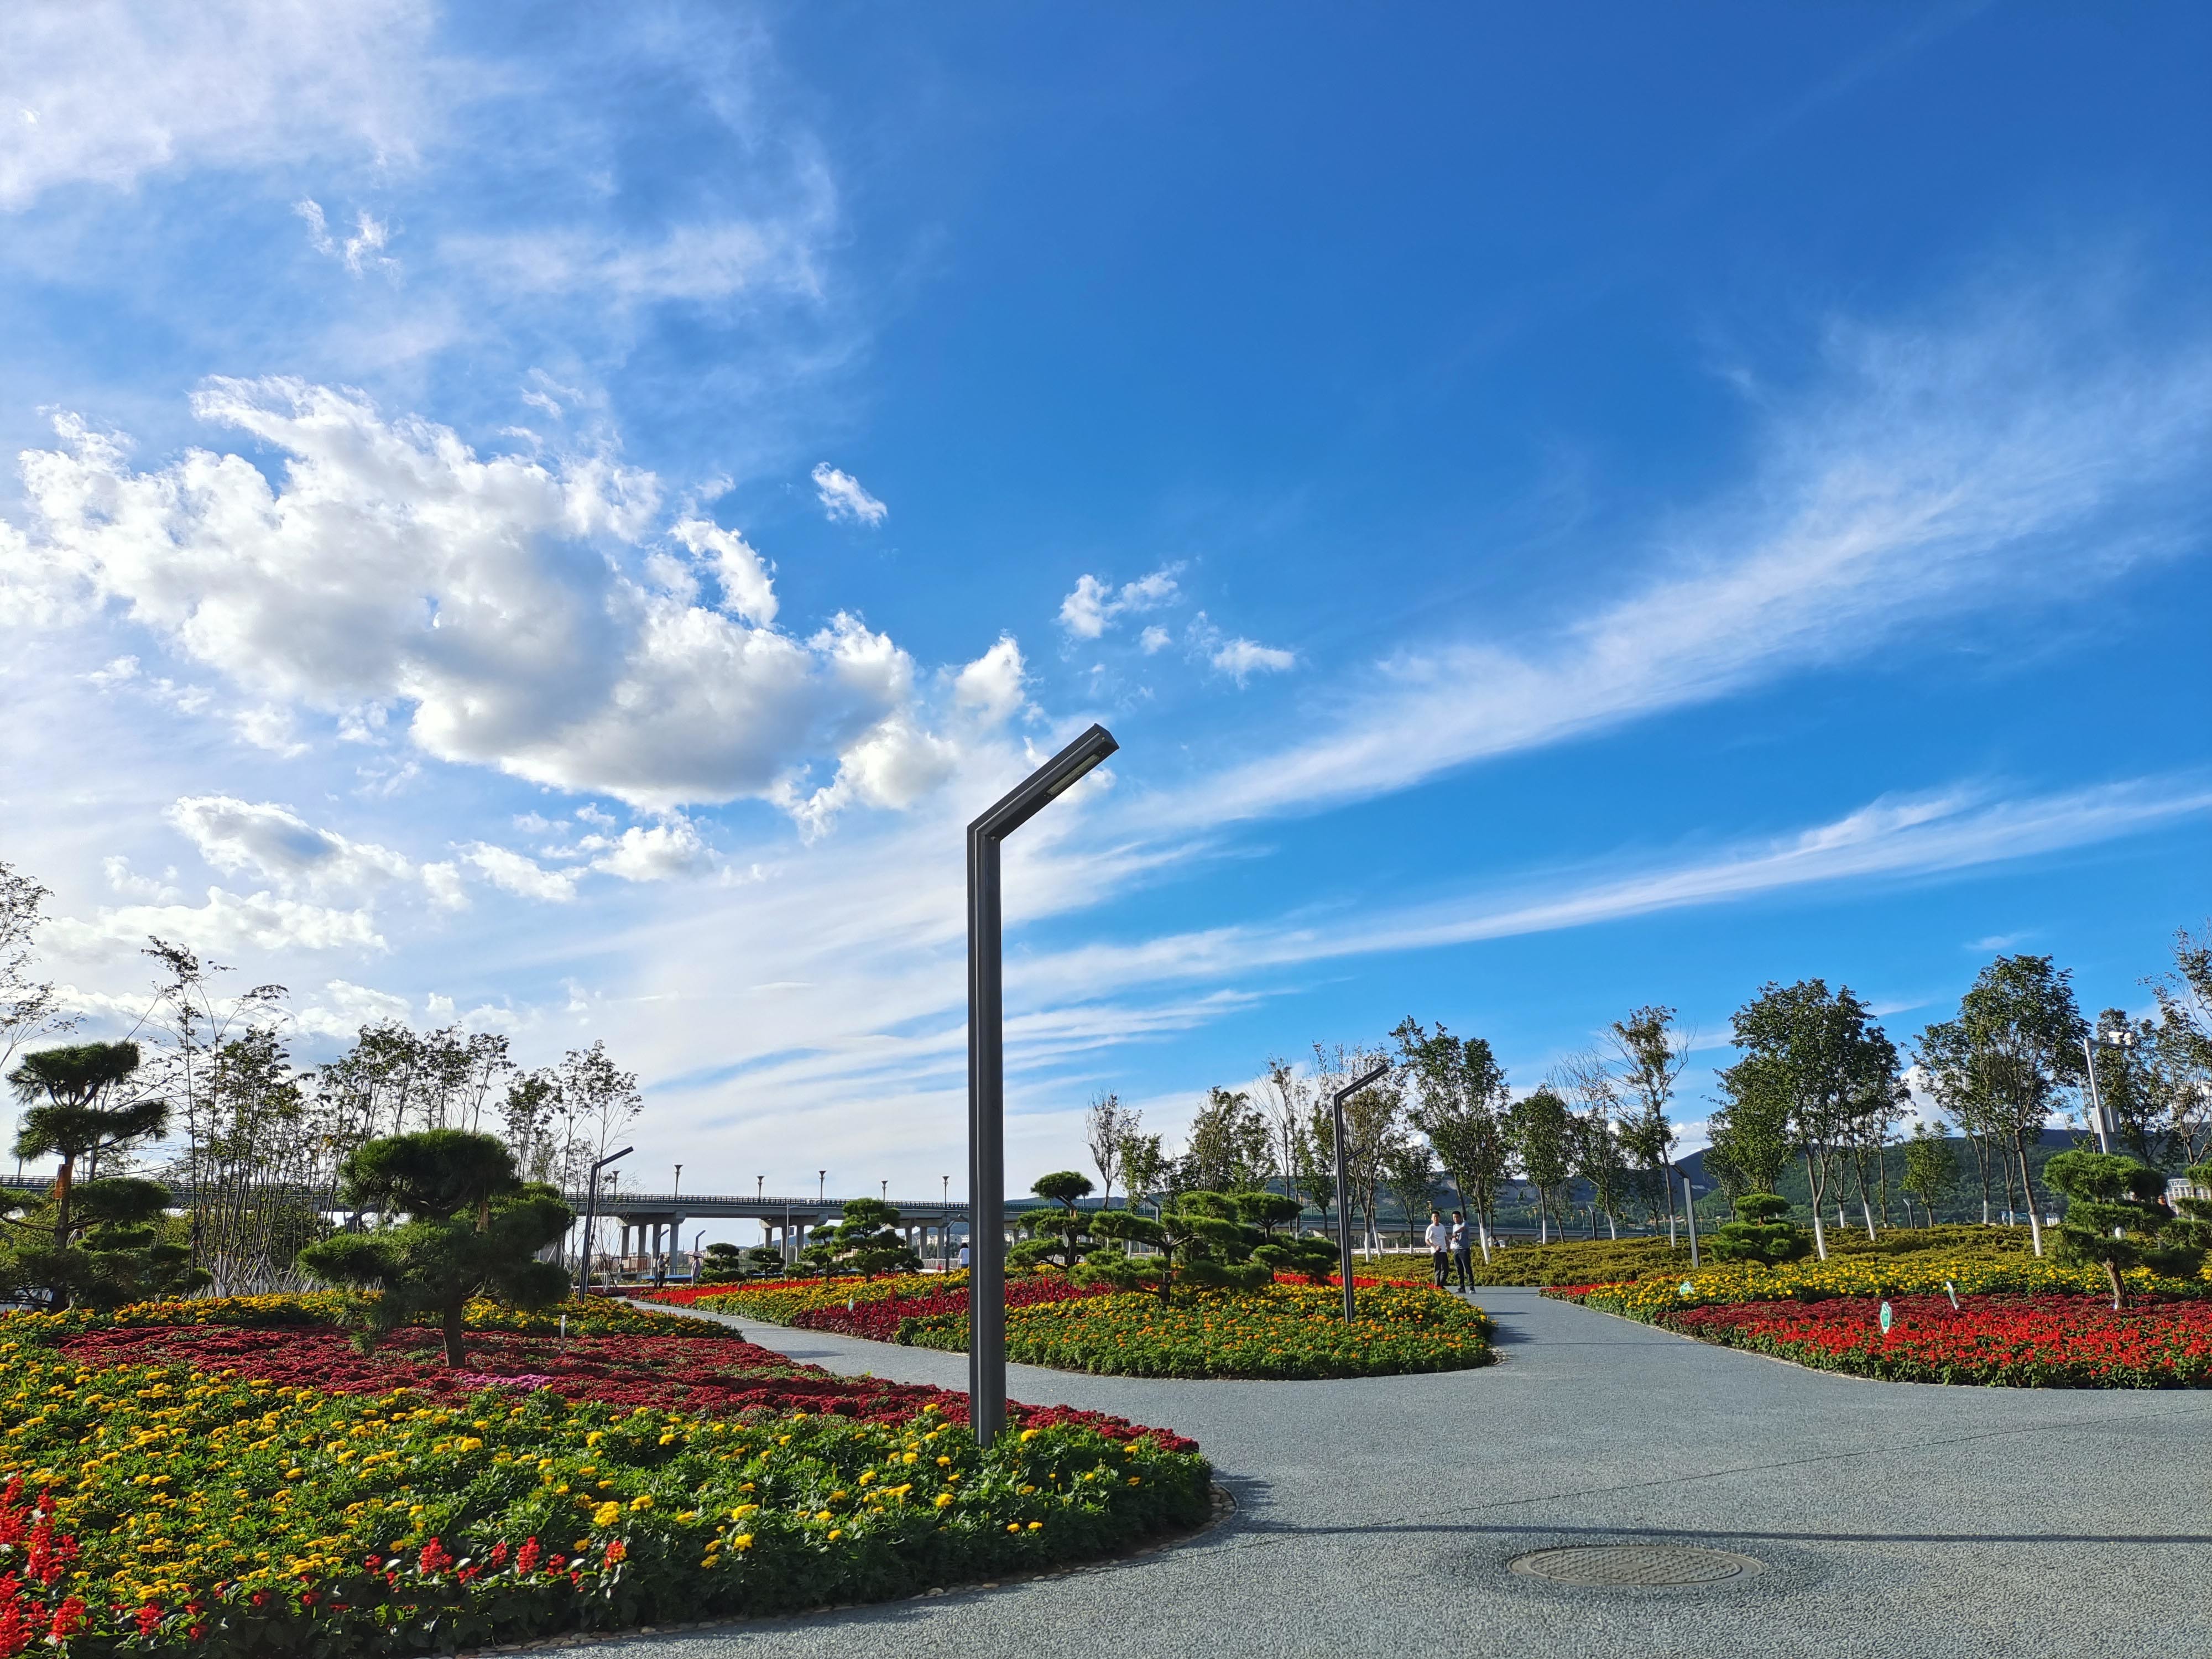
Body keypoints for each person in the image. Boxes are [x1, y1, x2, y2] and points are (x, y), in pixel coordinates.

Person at [1449, 1210, 1475, 1291]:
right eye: (1454, 1217)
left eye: (1457, 1217)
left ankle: (1471, 1287)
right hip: (1456, 1249)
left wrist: (1456, 1232)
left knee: (1467, 1268)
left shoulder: (1464, 1223)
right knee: (1459, 1269)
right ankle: (1462, 1287)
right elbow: (1454, 1237)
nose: (1456, 1219)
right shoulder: (1454, 1226)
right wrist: (1453, 1239)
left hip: (1464, 1249)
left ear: (1460, 1217)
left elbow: (1463, 1229)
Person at [1423, 1210, 1448, 1287]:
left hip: (1444, 1251)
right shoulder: (1431, 1228)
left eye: (1437, 1217)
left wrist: (1448, 1245)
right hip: (1436, 1252)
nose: (1436, 1218)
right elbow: (1427, 1240)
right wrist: (1434, 1247)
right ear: (1432, 1218)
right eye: (1434, 1217)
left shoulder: (1442, 1226)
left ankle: (1441, 1284)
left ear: (1439, 1218)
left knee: (1446, 1270)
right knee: (1438, 1270)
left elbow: (1445, 1237)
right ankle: (1437, 1286)